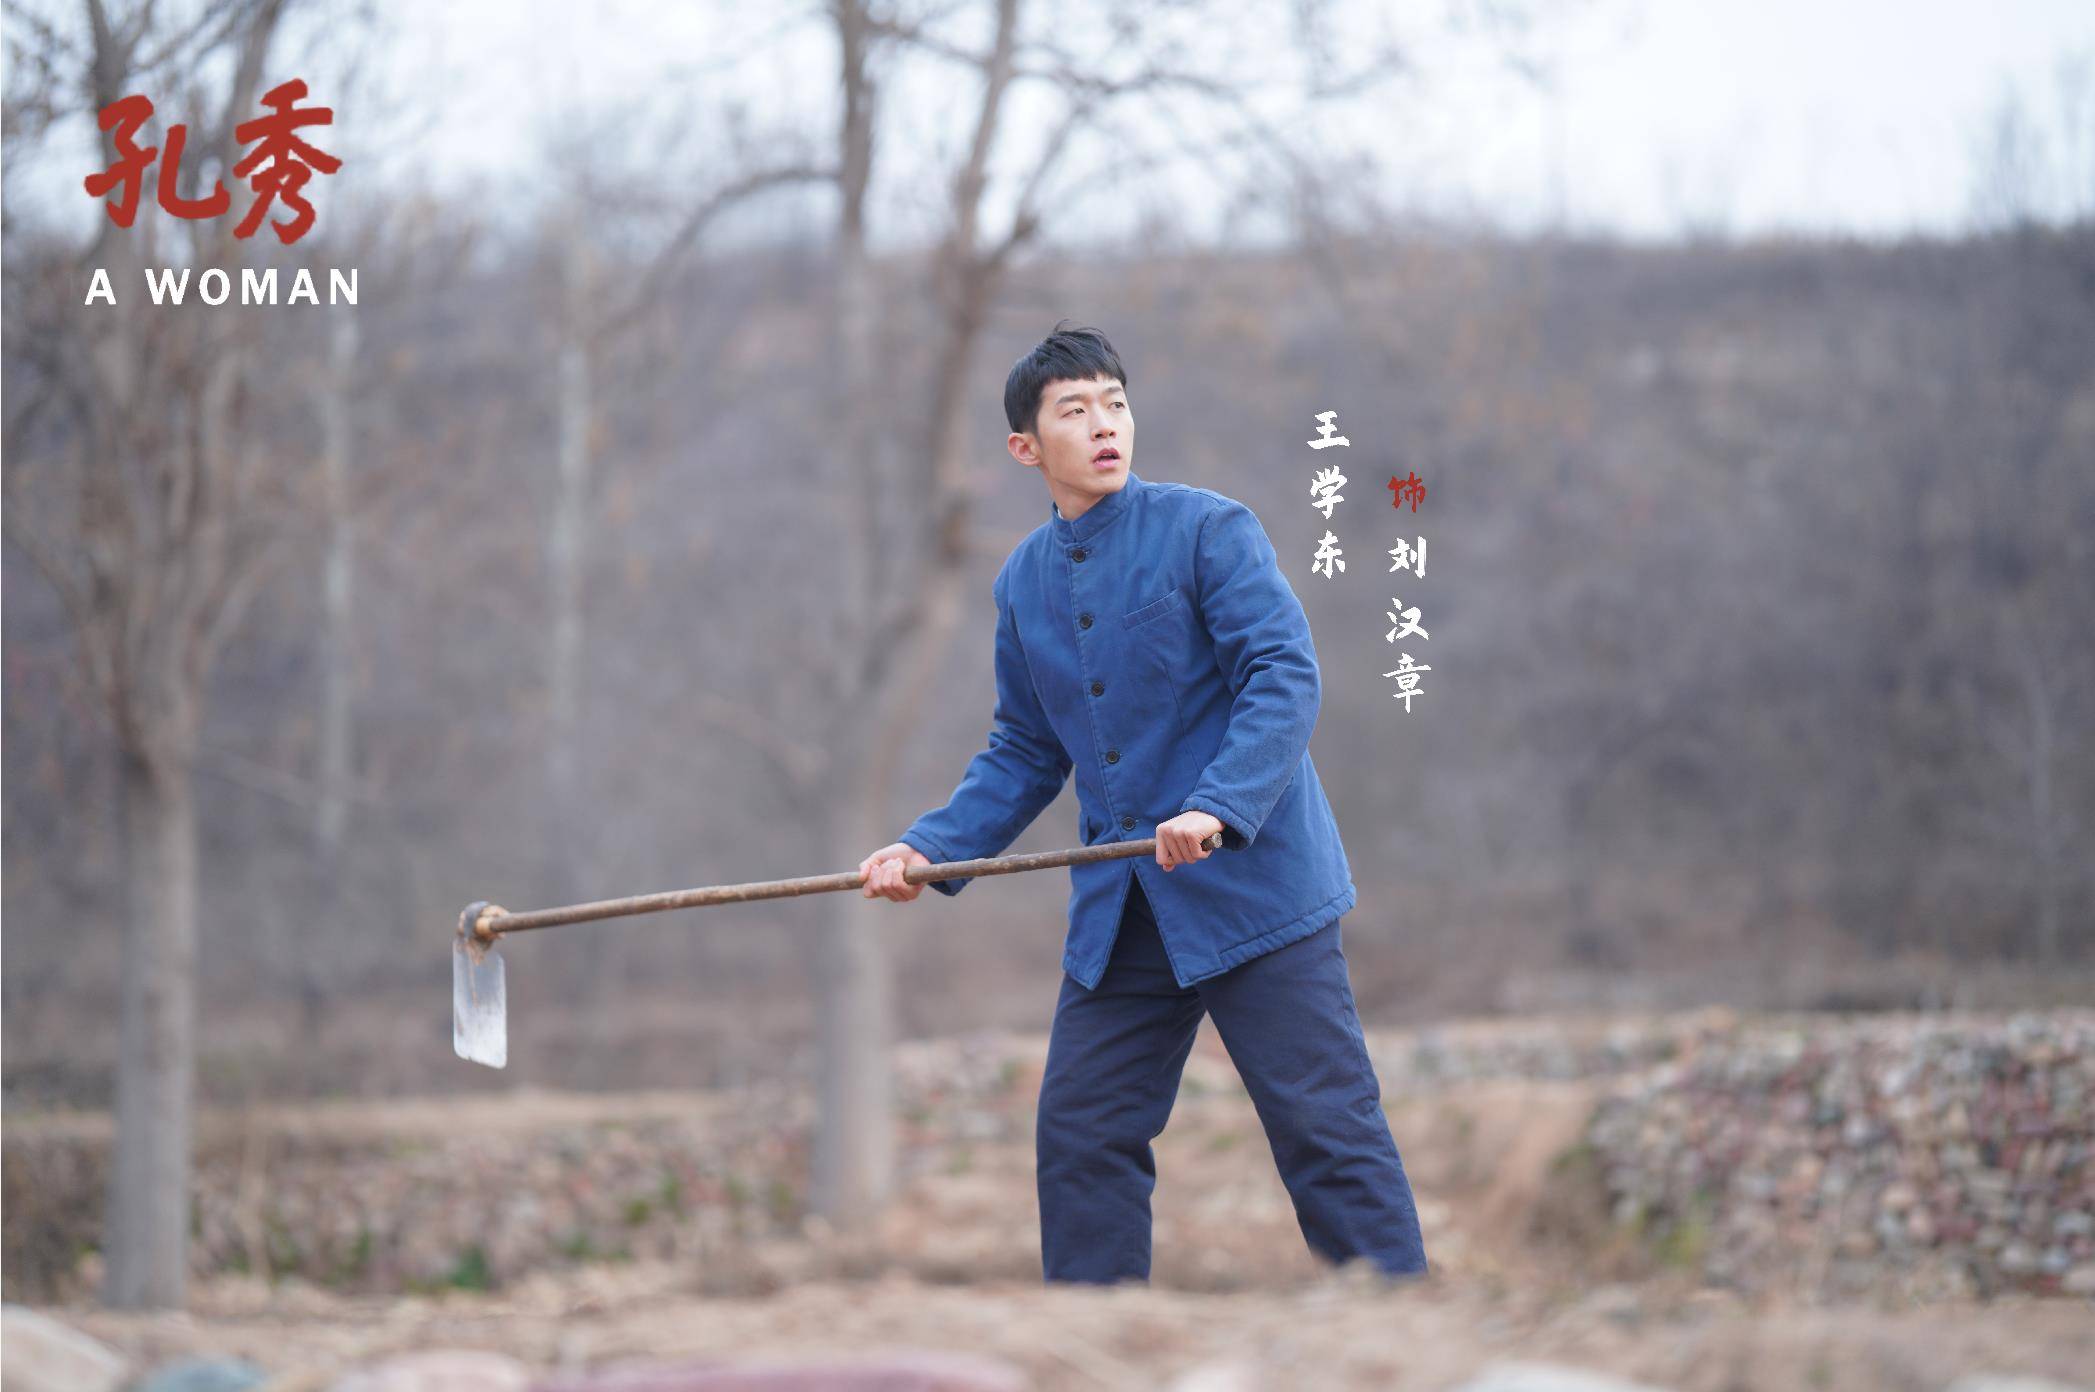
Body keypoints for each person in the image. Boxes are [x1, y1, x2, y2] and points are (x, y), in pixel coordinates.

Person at [858, 321, 1428, 1285]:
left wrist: (1218, 805)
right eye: (1074, 411)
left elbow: (1282, 675)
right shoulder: (1022, 583)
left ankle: (1402, 1327)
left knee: (1323, 1129)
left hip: (1256, 890)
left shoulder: (1208, 529)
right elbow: (1023, 748)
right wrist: (928, 849)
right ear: (1025, 447)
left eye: (1114, 404)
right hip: (1123, 909)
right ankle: (1096, 1337)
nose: (1103, 425)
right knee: (1080, 1133)